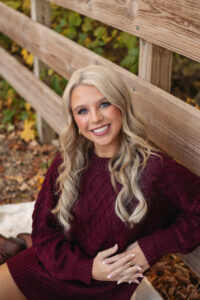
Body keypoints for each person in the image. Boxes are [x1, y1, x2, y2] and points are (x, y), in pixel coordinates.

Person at [0, 65, 199, 300]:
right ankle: (18, 248)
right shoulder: (68, 160)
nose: (95, 118)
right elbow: (44, 234)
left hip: (105, 289)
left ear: (121, 105)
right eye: (82, 111)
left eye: (104, 104)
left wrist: (151, 248)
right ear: (74, 119)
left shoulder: (154, 169)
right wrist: (88, 268)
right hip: (51, 268)